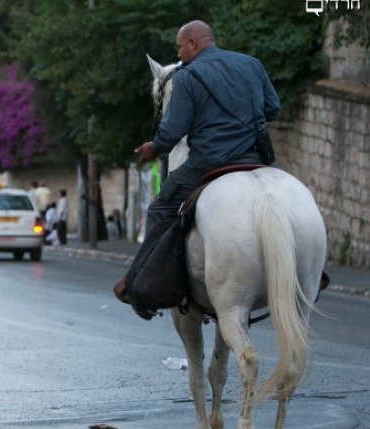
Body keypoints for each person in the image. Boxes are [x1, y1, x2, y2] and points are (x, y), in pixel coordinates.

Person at [114, 20, 280, 318]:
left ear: (193, 43)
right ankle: (314, 274)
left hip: (207, 164)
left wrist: (155, 147)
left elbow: (173, 129)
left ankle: (146, 285)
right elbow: (273, 108)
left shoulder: (188, 76)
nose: (180, 54)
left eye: (180, 47)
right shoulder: (252, 64)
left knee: (161, 209)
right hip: (255, 159)